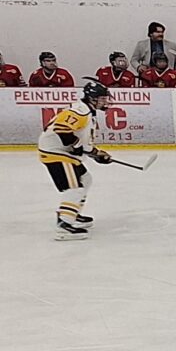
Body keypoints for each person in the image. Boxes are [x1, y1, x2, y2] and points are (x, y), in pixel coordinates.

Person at [40, 79, 115, 237]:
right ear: (92, 99)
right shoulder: (81, 111)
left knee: (86, 179)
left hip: (63, 152)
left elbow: (81, 141)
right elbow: (62, 129)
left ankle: (72, 213)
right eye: (102, 99)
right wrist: (76, 146)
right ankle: (64, 224)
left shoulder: (87, 111)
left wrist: (96, 153)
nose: (106, 102)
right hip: (56, 153)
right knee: (74, 188)